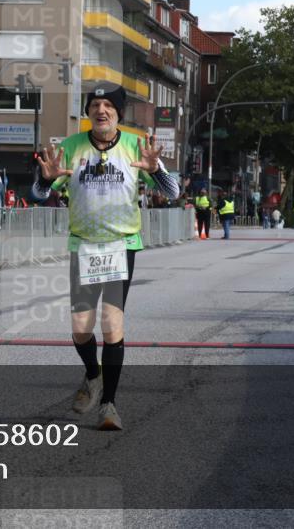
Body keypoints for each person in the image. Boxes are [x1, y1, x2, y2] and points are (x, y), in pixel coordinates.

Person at [33, 85, 179, 431]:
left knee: (112, 325)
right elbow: (39, 194)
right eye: (95, 105)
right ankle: (92, 375)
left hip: (120, 244)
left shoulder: (134, 145)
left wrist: (156, 169)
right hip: (83, 245)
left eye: (108, 105)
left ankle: (109, 405)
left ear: (118, 112)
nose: (101, 110)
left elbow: (172, 193)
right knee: (81, 329)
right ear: (88, 112)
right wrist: (44, 178)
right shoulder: (70, 147)